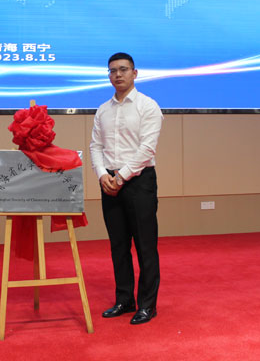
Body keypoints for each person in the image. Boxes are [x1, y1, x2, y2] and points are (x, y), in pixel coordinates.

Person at [89, 52, 163, 325]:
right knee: (118, 245)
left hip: (139, 181)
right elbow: (95, 146)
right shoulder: (103, 110)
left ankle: (147, 305)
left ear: (134, 73)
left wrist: (120, 177)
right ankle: (124, 299)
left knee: (145, 245)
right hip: (109, 182)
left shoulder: (148, 106)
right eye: (112, 71)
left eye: (123, 69)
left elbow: (147, 149)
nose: (117, 74)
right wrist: (102, 174)